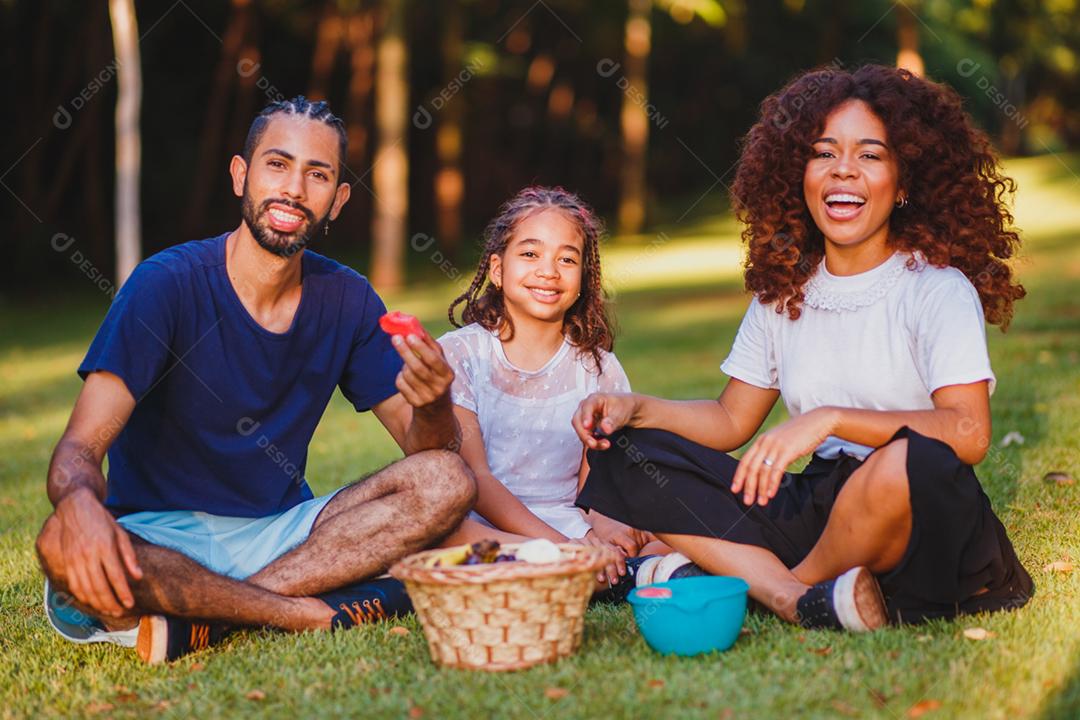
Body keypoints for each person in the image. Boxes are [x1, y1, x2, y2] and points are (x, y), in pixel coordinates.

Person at [573, 64, 1034, 630]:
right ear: (798, 175)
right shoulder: (784, 292)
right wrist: (637, 409)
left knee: (909, 461)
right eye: (824, 153)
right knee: (626, 450)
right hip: (817, 505)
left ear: (904, 183)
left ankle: (774, 582)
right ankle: (795, 598)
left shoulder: (937, 288)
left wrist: (829, 419)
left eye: (870, 154)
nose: (844, 169)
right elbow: (729, 419)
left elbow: (969, 433)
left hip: (912, 504)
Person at [34, 96, 477, 664]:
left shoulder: (347, 297)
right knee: (58, 542)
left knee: (446, 481)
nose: (294, 189)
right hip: (157, 538)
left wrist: (435, 403)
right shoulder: (165, 283)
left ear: (338, 200)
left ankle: (213, 618)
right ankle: (300, 609)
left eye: (318, 175)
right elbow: (79, 447)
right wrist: (78, 504)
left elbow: (429, 455)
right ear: (241, 175)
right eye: (277, 164)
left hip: (283, 534)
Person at [436, 187, 686, 591]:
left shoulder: (597, 369)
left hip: (567, 520)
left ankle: (620, 567)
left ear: (583, 277)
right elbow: (476, 478)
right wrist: (563, 546)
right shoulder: (460, 355)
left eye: (567, 259)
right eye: (530, 254)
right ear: (497, 269)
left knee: (673, 524)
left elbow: (593, 482)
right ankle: (602, 570)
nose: (549, 271)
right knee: (441, 532)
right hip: (486, 526)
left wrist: (605, 526)